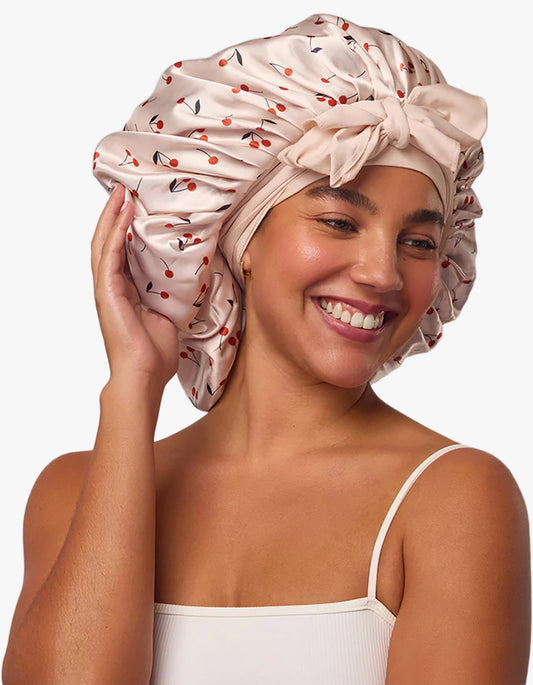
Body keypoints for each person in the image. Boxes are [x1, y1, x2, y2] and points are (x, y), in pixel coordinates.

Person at [2, 13, 530, 684]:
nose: (384, 273)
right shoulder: (72, 491)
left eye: (419, 242)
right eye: (339, 222)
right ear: (239, 236)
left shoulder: (453, 500)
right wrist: (131, 390)